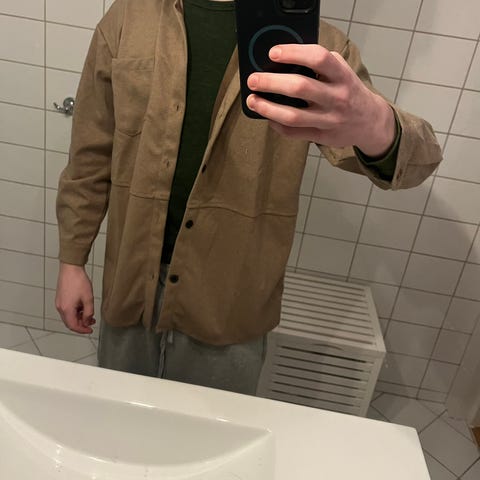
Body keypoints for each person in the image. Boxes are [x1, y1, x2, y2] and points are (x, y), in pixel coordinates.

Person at [55, 0, 442, 395]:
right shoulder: (128, 19)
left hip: (230, 302)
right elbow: (90, 154)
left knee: (213, 430)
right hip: (129, 282)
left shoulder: (318, 49)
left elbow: (419, 163)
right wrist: (72, 261)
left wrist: (375, 123)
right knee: (117, 416)